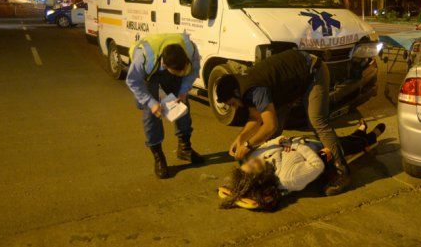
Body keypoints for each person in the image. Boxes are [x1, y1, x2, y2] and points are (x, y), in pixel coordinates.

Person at [214, 49, 350, 196]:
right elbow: (256, 118)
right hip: (290, 83)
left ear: (235, 93)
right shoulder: (242, 87)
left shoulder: (253, 89)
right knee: (272, 135)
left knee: (317, 122)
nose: (235, 107)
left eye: (233, 103)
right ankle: (275, 168)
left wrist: (248, 145)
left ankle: (342, 172)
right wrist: (240, 139)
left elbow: (270, 125)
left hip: (313, 71)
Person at [220, 121, 386, 210]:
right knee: (346, 145)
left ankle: (358, 132)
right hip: (318, 151)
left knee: (341, 140)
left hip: (305, 141)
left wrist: (281, 140)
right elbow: (316, 165)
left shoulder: (255, 160)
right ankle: (370, 136)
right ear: (261, 178)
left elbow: (271, 142)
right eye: (253, 166)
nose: (254, 161)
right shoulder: (288, 178)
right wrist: (295, 145)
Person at [125, 33, 204, 178]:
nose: (182, 74)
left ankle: (184, 148)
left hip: (170, 66)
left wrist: (183, 91)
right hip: (149, 75)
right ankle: (158, 156)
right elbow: (133, 82)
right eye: (178, 73)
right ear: (165, 65)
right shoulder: (143, 58)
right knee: (151, 113)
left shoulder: (190, 49)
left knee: (182, 105)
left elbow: (193, 71)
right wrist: (151, 102)